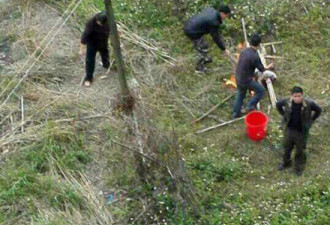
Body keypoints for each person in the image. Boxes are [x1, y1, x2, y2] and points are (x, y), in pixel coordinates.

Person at [276, 86, 322, 176]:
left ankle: (298, 168)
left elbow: (318, 110)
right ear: (292, 96)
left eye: (299, 96)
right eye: (295, 96)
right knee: (286, 147)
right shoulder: (287, 102)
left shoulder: (309, 104)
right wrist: (284, 116)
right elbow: (278, 105)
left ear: (302, 95)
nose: (297, 98)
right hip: (289, 130)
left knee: (300, 151)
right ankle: (286, 163)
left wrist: (311, 121)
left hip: (302, 131)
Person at [232, 33, 274, 118]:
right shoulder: (255, 56)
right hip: (245, 80)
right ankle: (249, 106)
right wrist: (269, 66)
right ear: (259, 44)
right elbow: (262, 70)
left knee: (241, 94)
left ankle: (236, 113)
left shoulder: (244, 51)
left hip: (237, 76)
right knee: (261, 90)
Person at [183, 5, 231, 73]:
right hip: (191, 31)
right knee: (203, 48)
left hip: (189, 24)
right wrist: (224, 49)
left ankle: (203, 58)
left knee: (203, 44)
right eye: (226, 15)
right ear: (222, 13)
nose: (226, 17)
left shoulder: (211, 10)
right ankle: (199, 69)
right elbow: (216, 37)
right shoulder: (214, 22)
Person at [79, 12, 110, 87]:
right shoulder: (91, 23)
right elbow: (84, 36)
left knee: (105, 53)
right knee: (90, 60)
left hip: (103, 40)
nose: (98, 23)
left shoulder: (109, 21)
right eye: (98, 21)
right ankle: (88, 78)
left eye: (100, 23)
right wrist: (82, 49)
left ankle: (106, 64)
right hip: (92, 43)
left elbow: (113, 28)